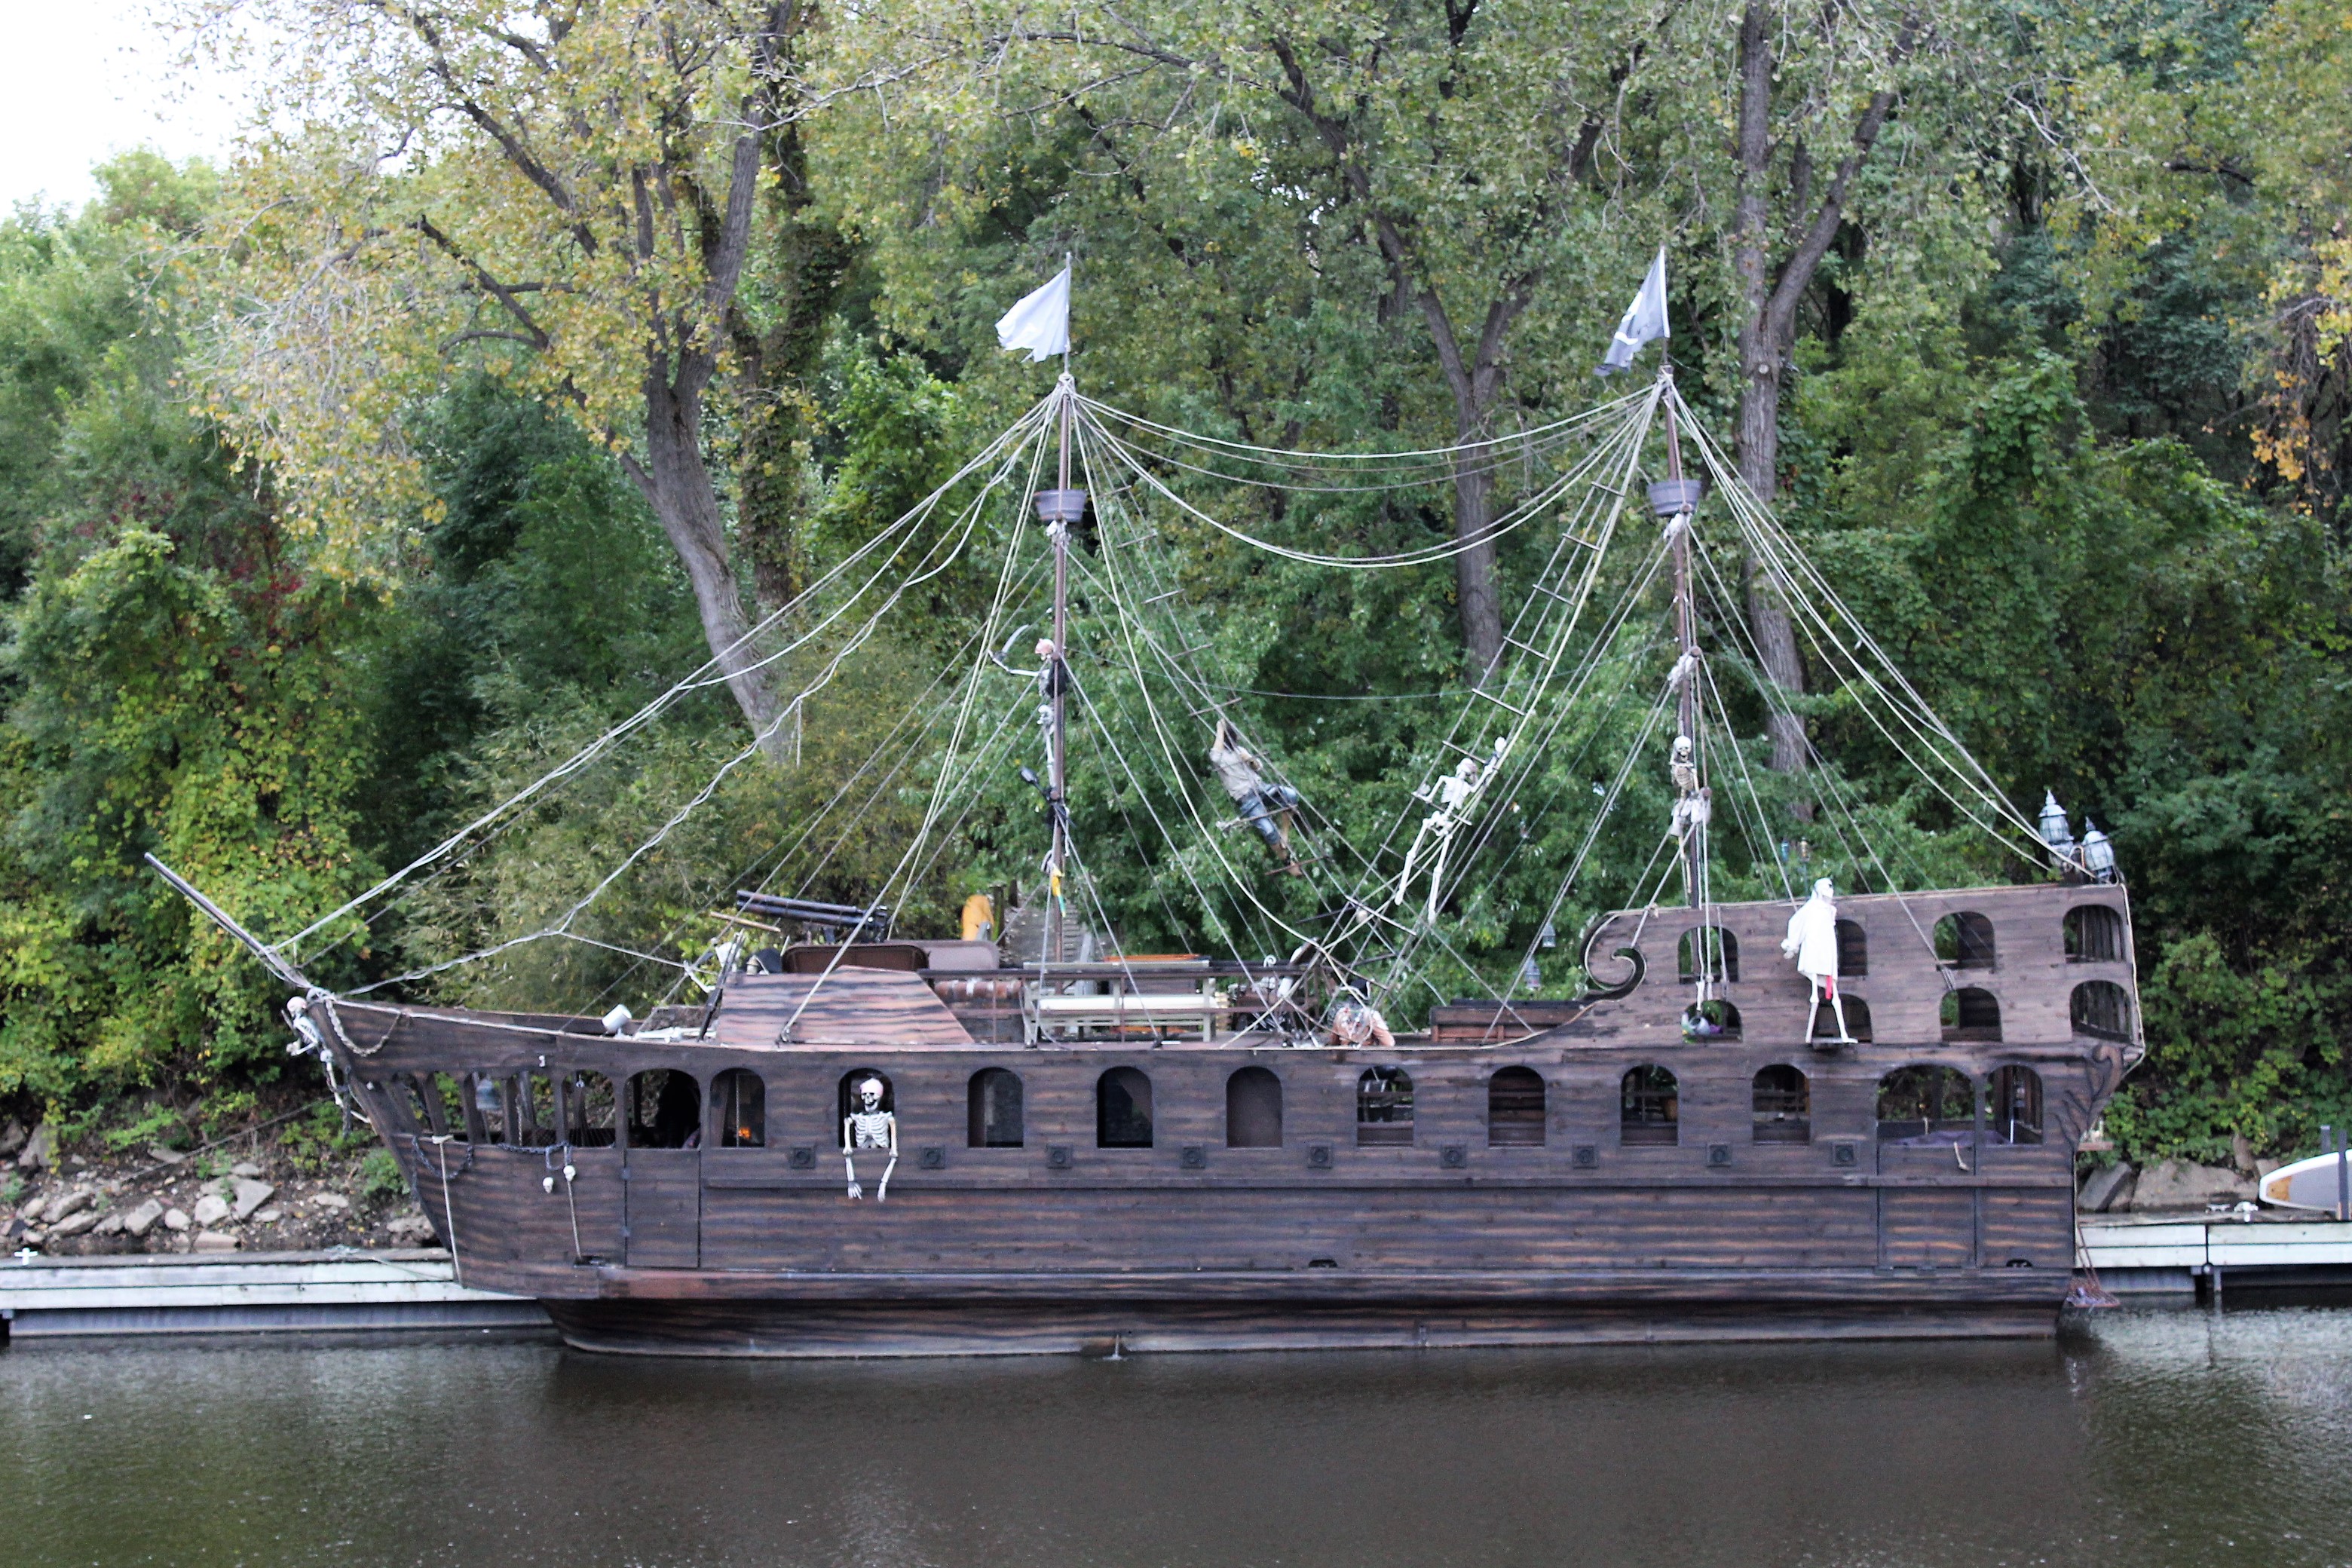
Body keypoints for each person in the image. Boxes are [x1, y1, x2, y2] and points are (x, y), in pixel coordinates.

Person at [1208, 718, 1304, 874]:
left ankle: (1285, 833)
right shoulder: (1220, 758)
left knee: (1290, 795)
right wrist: (1220, 727)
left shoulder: (1240, 750)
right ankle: (1287, 862)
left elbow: (1259, 766)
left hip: (1261, 788)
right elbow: (1214, 757)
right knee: (1269, 830)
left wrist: (1250, 760)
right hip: (1246, 799)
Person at [1781, 877, 1851, 1043]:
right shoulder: (1811, 908)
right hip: (1814, 951)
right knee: (1815, 994)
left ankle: (1844, 1034)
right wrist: (1793, 945)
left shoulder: (1830, 910)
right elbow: (1796, 922)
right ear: (1819, 890)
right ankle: (1808, 1036)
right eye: (1827, 887)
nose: (1830, 891)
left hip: (1827, 951)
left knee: (1834, 991)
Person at [841, 1076, 898, 1201]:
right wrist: (851, 1181)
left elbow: (894, 1154)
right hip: (863, 1147)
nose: (868, 1098)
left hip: (881, 1146)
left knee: (893, 1156)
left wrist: (883, 1184)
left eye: (872, 1095)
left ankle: (883, 1183)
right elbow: (847, 1123)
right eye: (865, 1095)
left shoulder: (886, 1117)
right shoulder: (857, 1117)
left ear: (880, 1097)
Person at [1329, 995, 1395, 1049]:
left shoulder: (1340, 1014)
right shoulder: (1371, 1015)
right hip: (1366, 1060)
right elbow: (1389, 1043)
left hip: (1343, 1059)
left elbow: (1334, 1042)